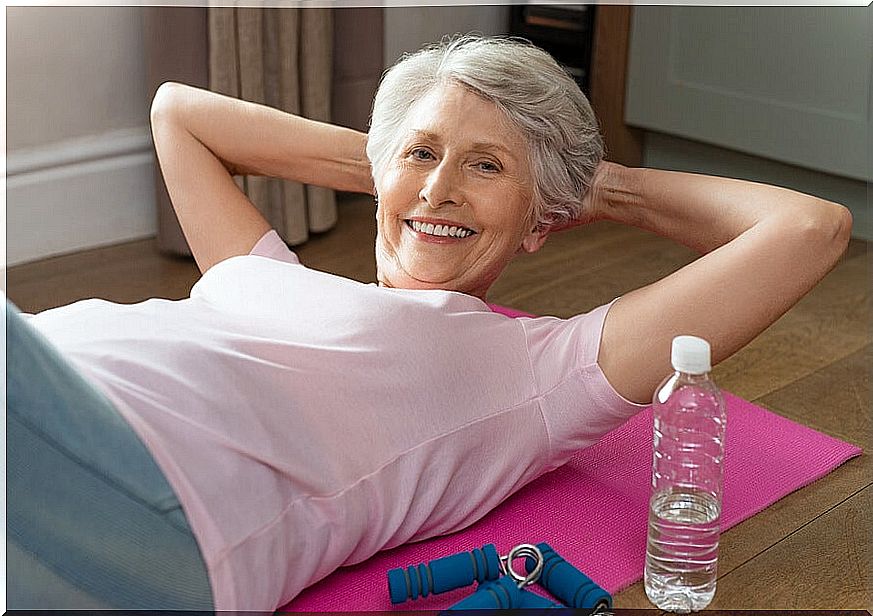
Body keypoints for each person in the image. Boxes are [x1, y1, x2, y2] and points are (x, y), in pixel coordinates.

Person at [7, 35, 851, 611]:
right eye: (422, 155)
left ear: (541, 223)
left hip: (142, 497)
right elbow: (177, 112)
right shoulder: (260, 275)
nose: (441, 190)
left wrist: (587, 185)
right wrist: (404, 163)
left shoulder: (539, 373)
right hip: (50, 428)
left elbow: (808, 229)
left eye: (485, 168)